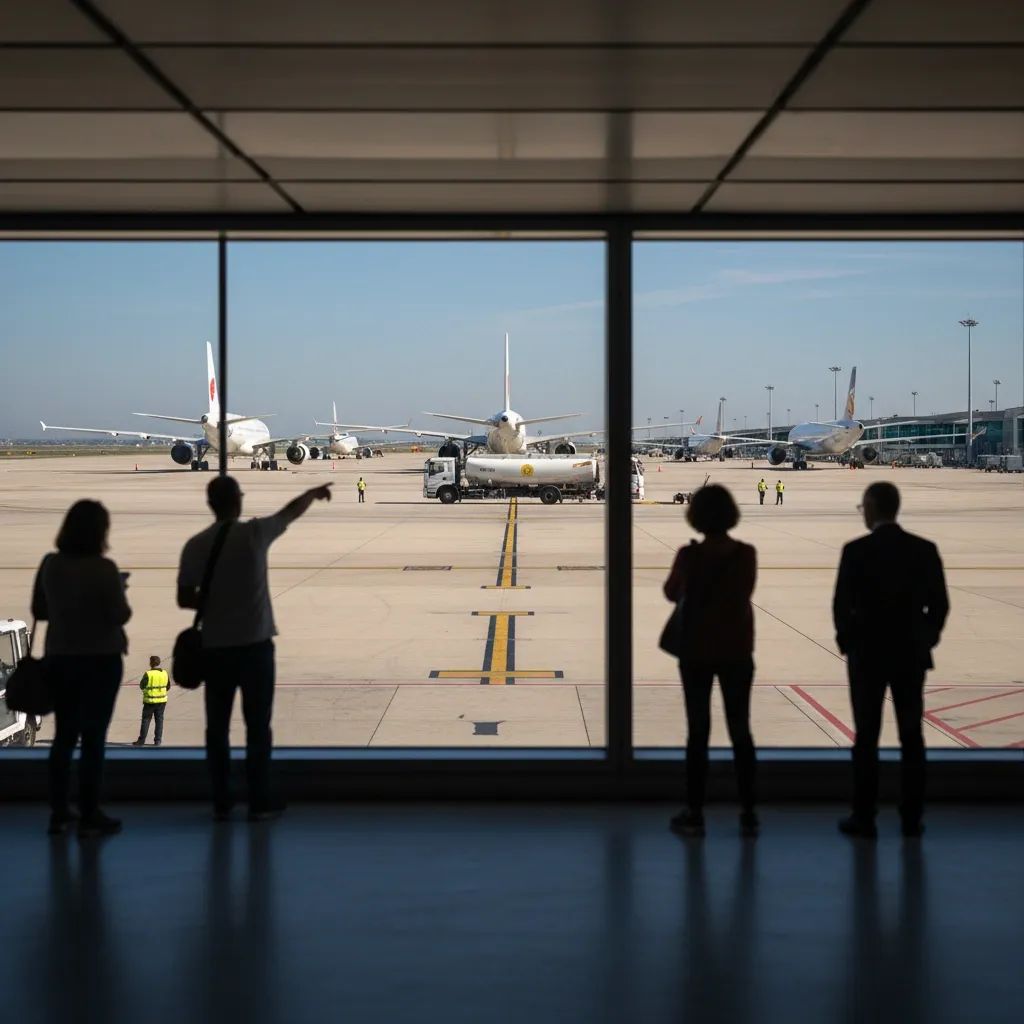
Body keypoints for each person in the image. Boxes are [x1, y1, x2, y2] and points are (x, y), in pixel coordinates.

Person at [177, 477, 332, 822]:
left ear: (210, 503)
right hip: (255, 648)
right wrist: (311, 492)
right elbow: (288, 514)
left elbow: (183, 598)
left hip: (216, 648)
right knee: (258, 727)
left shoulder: (195, 545)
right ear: (237, 502)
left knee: (216, 729)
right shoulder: (253, 535)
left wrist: (214, 600)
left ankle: (221, 801)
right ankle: (259, 800)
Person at [833, 481, 949, 838]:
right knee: (912, 738)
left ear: (872, 508)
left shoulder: (856, 550)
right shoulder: (924, 549)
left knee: (866, 738)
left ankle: (864, 817)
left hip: (866, 657)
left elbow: (841, 606)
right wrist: (924, 639)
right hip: (910, 655)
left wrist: (848, 643)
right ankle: (912, 818)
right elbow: (940, 605)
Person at [31, 500, 131, 837]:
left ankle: (59, 813)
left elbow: (39, 610)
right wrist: (120, 587)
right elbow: (120, 615)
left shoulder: (51, 564)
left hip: (61, 657)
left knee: (63, 738)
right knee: (93, 739)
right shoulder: (103, 568)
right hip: (100, 660)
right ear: (100, 532)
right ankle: (90, 812)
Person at [663, 484, 758, 838]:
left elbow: (671, 592)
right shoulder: (746, 553)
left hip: (697, 648)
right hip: (737, 647)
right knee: (741, 731)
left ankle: (695, 812)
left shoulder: (690, 556)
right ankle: (748, 812)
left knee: (698, 731)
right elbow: (745, 592)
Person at [133, 655, 169, 747]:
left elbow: (142, 686)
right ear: (159, 662)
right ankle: (157, 741)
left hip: (150, 701)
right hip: (162, 701)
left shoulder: (148, 674)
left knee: (146, 720)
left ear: (151, 663)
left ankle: (141, 741)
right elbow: (168, 686)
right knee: (159, 720)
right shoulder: (165, 673)